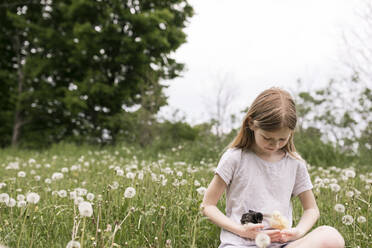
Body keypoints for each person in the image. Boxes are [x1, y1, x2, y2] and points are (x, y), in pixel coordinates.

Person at [201, 88, 345, 248]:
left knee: (331, 237)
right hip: (240, 243)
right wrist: (242, 231)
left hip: (281, 245)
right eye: (267, 138)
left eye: (282, 139)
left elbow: (311, 209)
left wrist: (298, 232)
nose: (275, 145)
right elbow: (208, 205)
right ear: (251, 123)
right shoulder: (236, 157)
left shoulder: (295, 163)